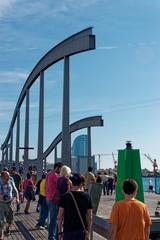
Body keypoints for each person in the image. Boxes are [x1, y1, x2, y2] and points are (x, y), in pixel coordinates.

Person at [57, 173, 92, 240]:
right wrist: (88, 232)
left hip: (68, 231)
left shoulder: (65, 197)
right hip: (81, 231)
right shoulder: (87, 197)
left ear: (71, 182)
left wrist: (60, 232)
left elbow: (59, 217)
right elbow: (90, 217)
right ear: (81, 184)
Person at [46, 162, 63, 240]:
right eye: (61, 168)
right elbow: (60, 186)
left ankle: (55, 236)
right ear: (58, 167)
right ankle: (52, 238)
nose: (61, 170)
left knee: (54, 218)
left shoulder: (49, 174)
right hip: (54, 199)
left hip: (49, 198)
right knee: (54, 219)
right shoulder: (55, 175)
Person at [0, 171, 19, 239]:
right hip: (1, 203)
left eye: (8, 177)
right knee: (1, 220)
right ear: (2, 177)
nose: (8, 178)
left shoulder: (10, 181)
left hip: (10, 203)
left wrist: (17, 198)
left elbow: (16, 190)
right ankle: (1, 233)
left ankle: (7, 228)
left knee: (10, 219)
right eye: (6, 177)